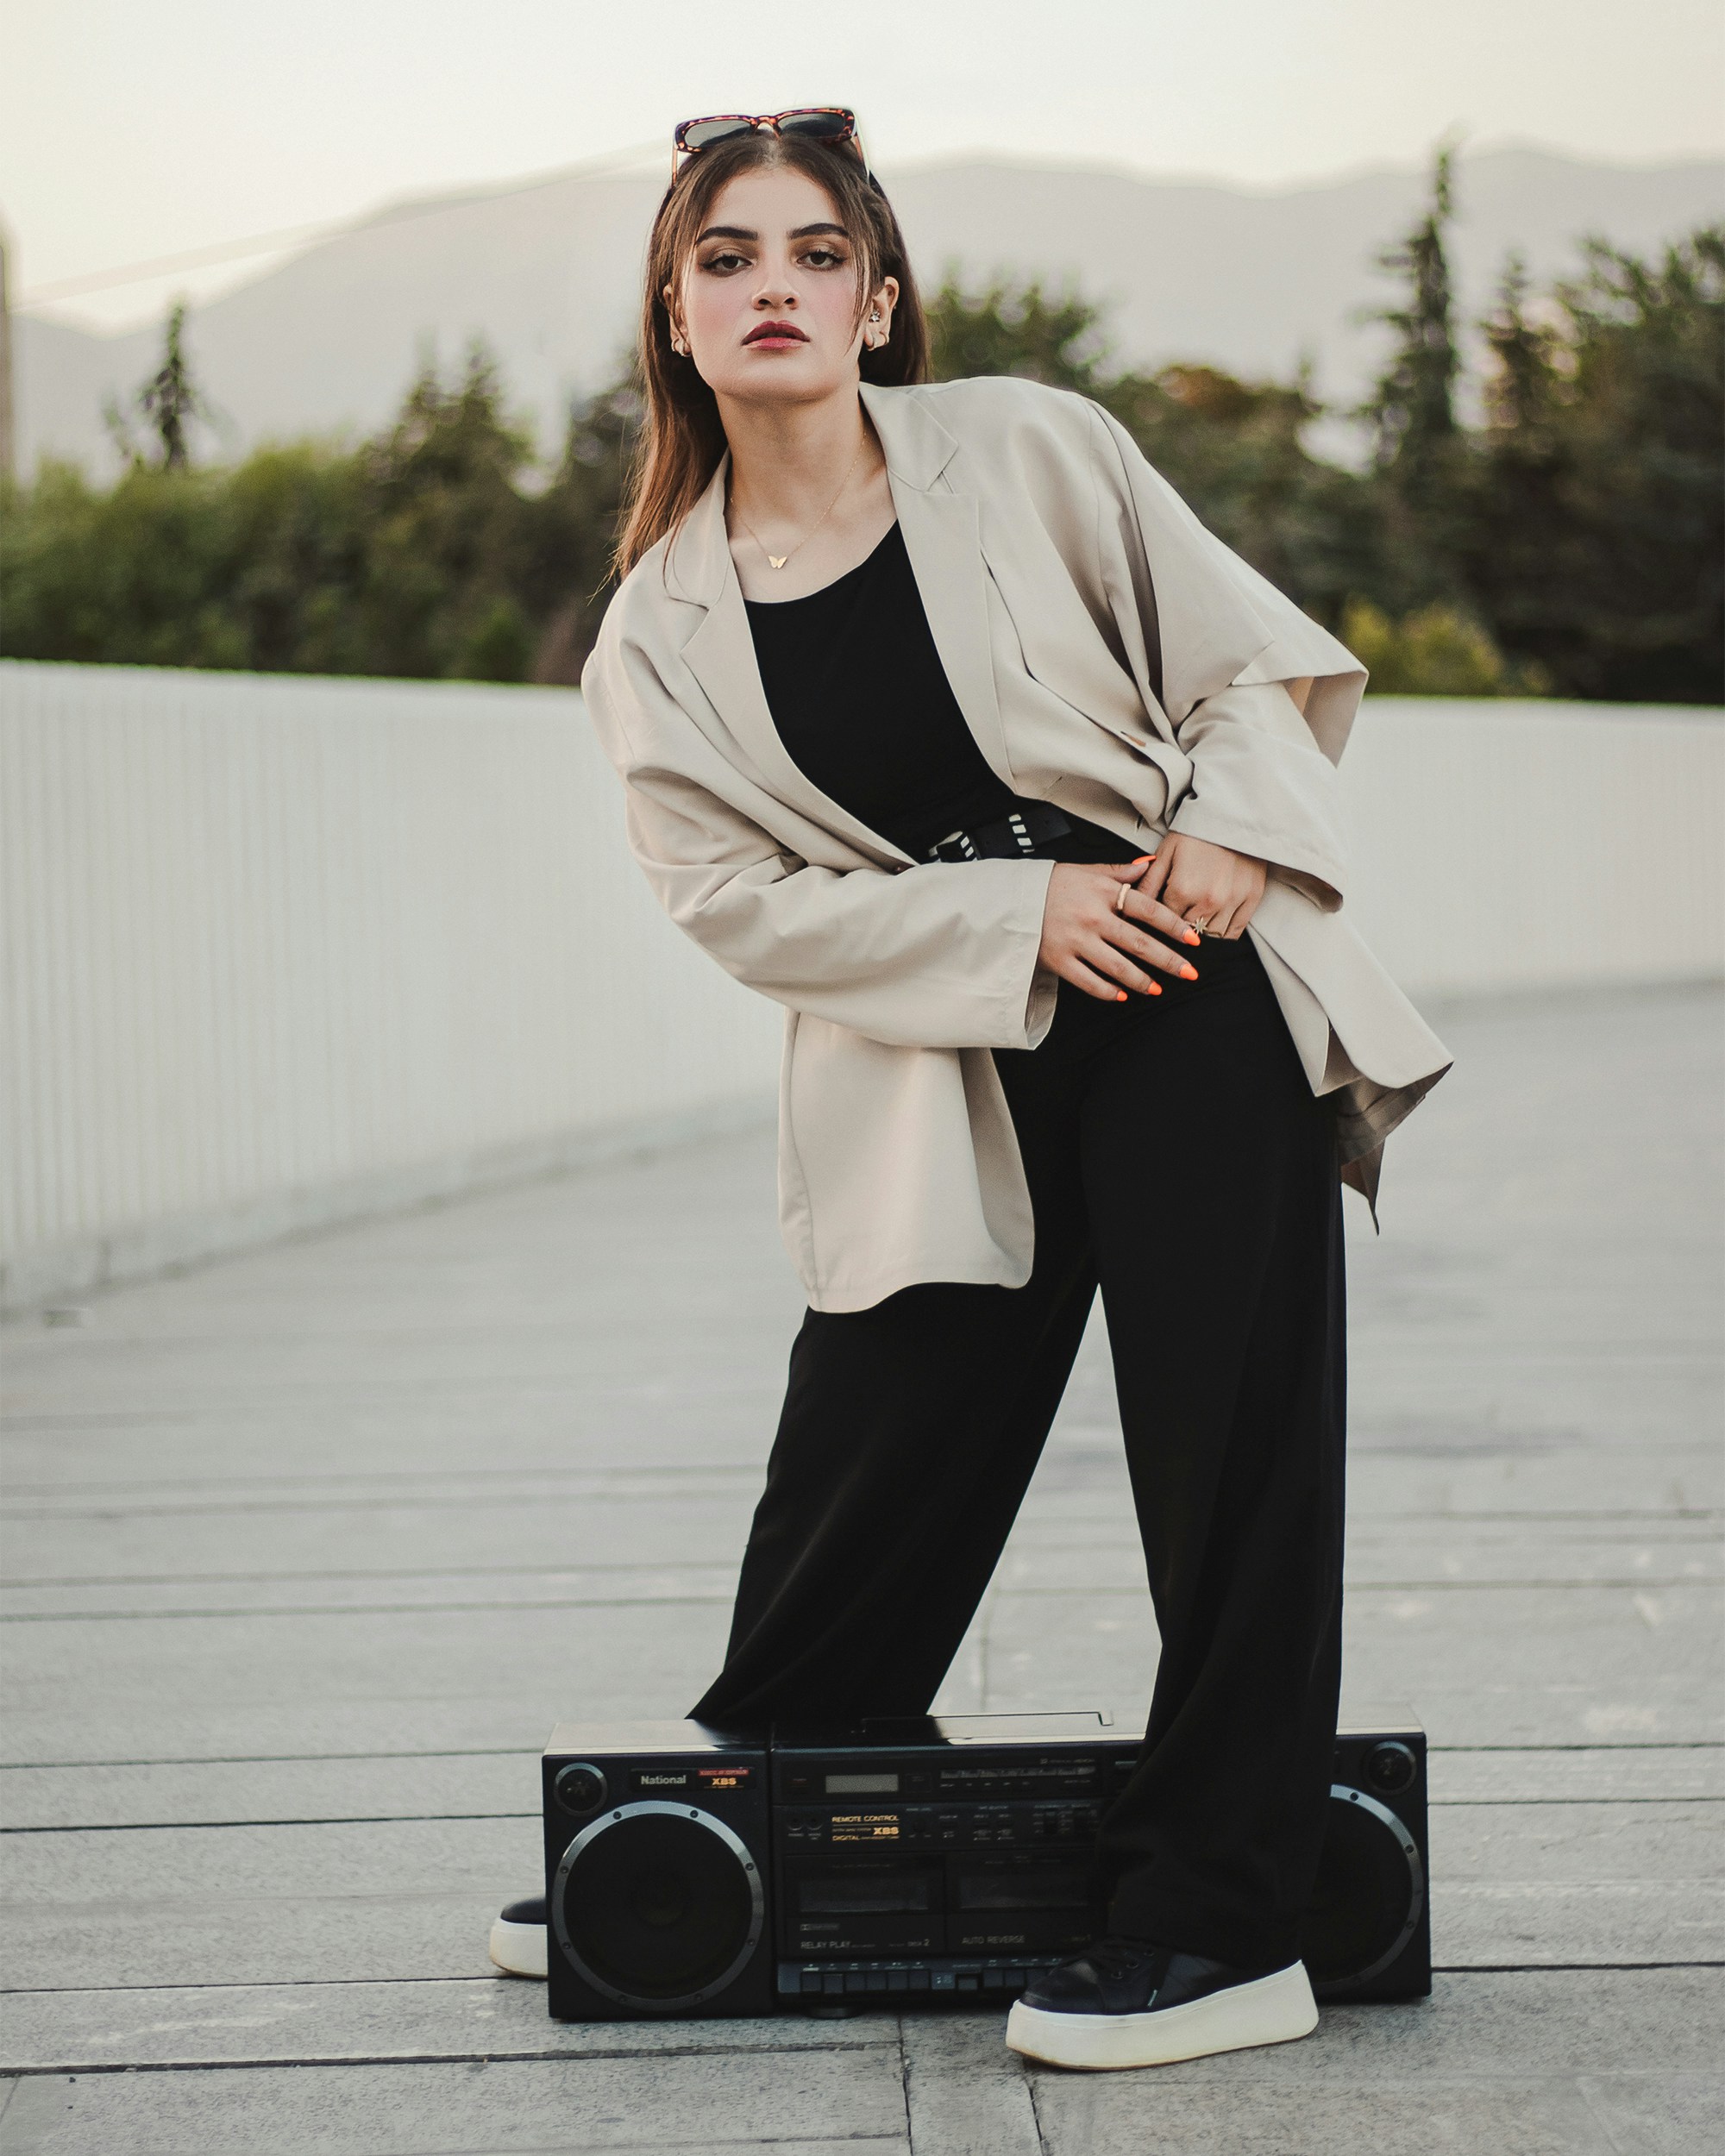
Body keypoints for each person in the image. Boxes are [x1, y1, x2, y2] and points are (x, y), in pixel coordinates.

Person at [489, 107, 1450, 2072]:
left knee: (1229, 1450)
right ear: (673, 315)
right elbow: (737, 903)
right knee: (872, 1433)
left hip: (1180, 982)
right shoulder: (656, 632)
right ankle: (746, 1809)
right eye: (727, 257)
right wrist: (1022, 915)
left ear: (877, 299)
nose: (772, 286)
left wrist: (1229, 840)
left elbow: (1243, 668)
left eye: (815, 253)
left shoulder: (1026, 445)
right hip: (947, 1044)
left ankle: (1222, 1923)